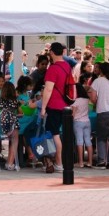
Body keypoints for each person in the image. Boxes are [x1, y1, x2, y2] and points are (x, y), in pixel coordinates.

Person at [40, 42, 73, 173]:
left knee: (54, 134)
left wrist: (43, 107)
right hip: (65, 105)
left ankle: (59, 163)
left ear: (52, 52)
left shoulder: (53, 69)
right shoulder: (67, 66)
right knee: (58, 134)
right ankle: (58, 162)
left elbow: (48, 89)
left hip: (54, 105)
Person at [0, 81, 20, 171]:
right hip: (13, 122)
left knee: (12, 140)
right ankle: (10, 163)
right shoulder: (15, 101)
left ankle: (9, 163)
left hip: (2, 123)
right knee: (14, 141)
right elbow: (20, 112)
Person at [71, 79, 93, 168]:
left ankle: (80, 162)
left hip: (78, 122)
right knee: (88, 141)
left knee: (79, 141)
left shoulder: (76, 101)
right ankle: (90, 161)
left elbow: (73, 114)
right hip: (87, 121)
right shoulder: (87, 100)